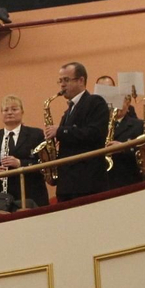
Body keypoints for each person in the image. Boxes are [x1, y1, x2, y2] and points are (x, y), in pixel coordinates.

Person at [50, 63, 110, 202]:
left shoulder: (95, 102)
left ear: (81, 80)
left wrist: (60, 131)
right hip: (67, 183)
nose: (62, 85)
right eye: (60, 81)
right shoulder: (68, 111)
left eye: (66, 80)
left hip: (87, 181)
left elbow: (94, 133)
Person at [0, 96, 49, 209]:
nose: (9, 113)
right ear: (1, 113)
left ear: (22, 112)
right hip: (1, 200)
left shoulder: (36, 134)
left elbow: (45, 165)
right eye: (5, 110)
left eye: (14, 109)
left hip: (31, 194)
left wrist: (20, 163)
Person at [106, 93, 144, 189]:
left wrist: (124, 148)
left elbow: (143, 152)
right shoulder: (102, 126)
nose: (116, 106)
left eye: (119, 102)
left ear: (127, 104)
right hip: (106, 180)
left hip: (128, 178)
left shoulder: (138, 125)